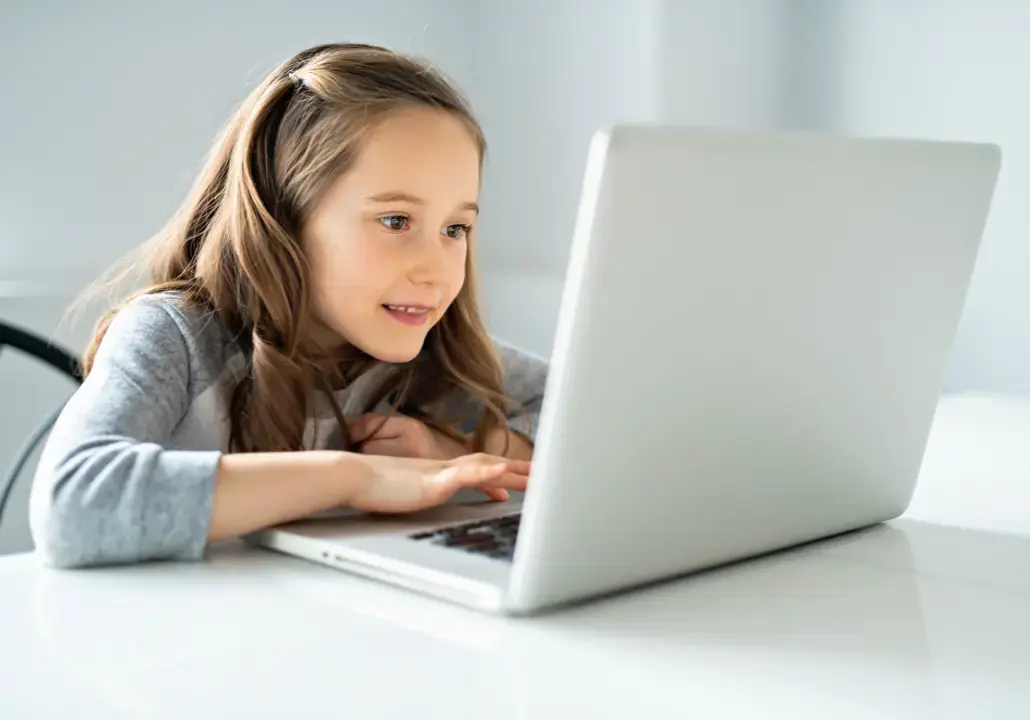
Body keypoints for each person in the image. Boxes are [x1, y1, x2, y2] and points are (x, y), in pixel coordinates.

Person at [29, 43, 547, 569]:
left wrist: (450, 454)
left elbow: (603, 431)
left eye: (455, 228)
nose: (435, 269)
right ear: (285, 218)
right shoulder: (179, 341)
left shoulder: (433, 355)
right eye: (396, 221)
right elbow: (72, 505)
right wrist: (355, 477)